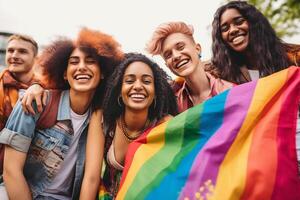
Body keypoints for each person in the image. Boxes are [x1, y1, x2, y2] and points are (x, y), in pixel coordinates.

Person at [0, 27, 123, 200]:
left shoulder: (98, 116)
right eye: (74, 62)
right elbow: (11, 171)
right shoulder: (35, 102)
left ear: (103, 72)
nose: (81, 67)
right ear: (64, 73)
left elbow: (92, 177)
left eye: (90, 61)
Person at [85, 53, 177, 199]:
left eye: (146, 81)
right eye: (129, 81)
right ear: (119, 91)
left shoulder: (166, 125)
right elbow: (91, 178)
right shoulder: (103, 119)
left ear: (156, 94)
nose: (138, 86)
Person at [146, 21, 234, 113]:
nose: (176, 56)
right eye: (168, 55)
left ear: (197, 49)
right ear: (167, 65)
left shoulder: (231, 91)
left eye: (180, 47)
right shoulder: (173, 107)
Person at [211, 0, 300, 84]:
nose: (233, 30)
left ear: (254, 23)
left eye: (239, 22)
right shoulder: (222, 74)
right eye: (225, 29)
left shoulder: (295, 57)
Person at [0, 34, 40, 182]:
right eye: (10, 51)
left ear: (35, 58)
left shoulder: (46, 89)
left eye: (22, 51)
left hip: (32, 174)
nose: (14, 56)